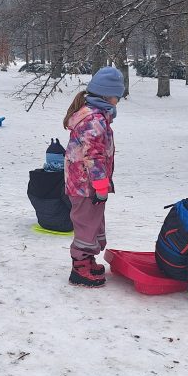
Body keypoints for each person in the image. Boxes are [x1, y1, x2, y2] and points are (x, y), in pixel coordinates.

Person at [64, 66, 124, 287]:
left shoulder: (95, 116)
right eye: (118, 97)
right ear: (108, 96)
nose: (118, 101)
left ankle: (87, 260)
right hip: (85, 185)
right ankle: (80, 268)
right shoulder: (94, 120)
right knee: (86, 224)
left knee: (92, 222)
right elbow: (94, 157)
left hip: (85, 183)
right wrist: (100, 187)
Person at [27, 138, 73, 233]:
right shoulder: (64, 179)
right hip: (66, 225)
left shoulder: (36, 177)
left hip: (43, 223)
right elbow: (72, 204)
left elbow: (31, 196)